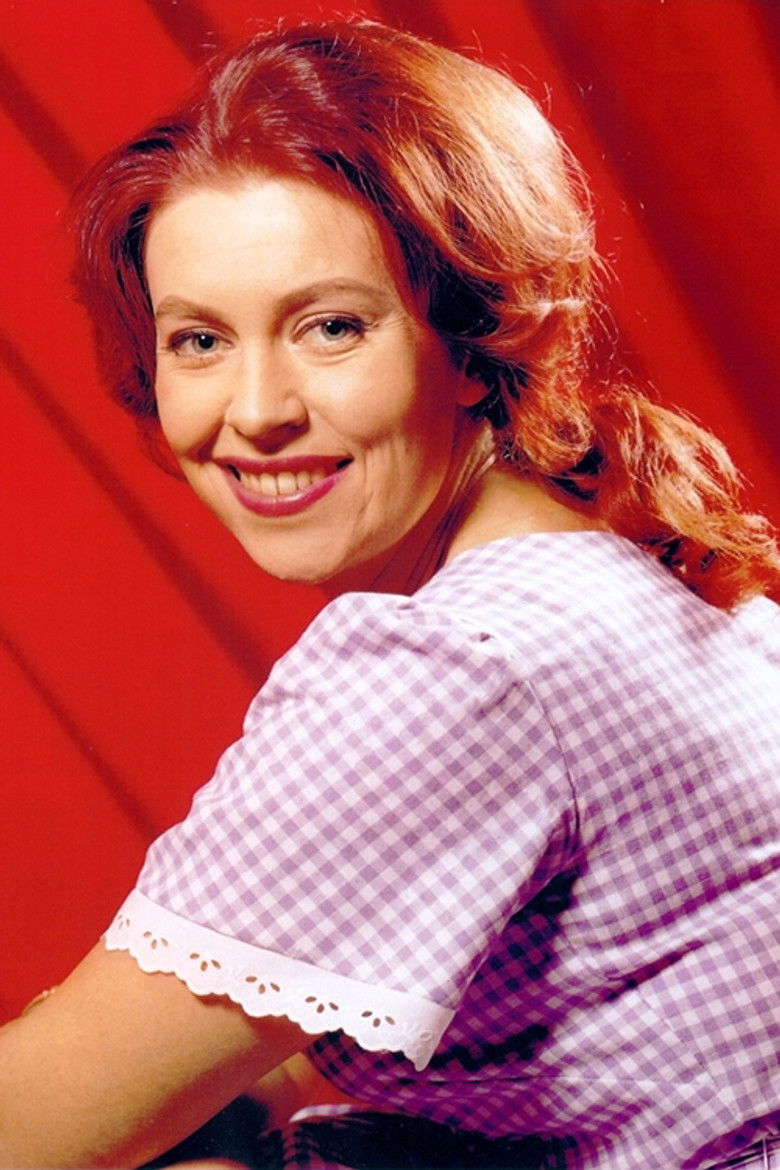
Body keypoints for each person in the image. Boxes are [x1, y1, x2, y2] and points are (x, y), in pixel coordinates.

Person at [1, 17, 778, 1170]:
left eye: (331, 327)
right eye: (199, 341)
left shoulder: (454, 669)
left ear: (473, 338)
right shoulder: (610, 558)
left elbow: (31, 1129)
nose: (254, 411)